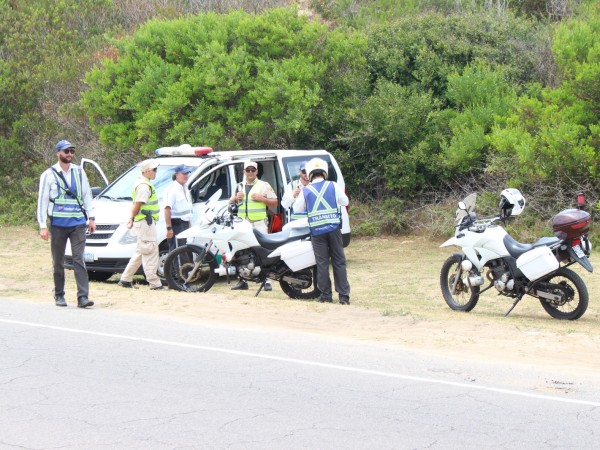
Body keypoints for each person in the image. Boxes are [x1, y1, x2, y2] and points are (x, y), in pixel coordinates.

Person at [37, 139, 95, 308]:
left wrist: (91, 218)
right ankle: (59, 294)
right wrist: (42, 225)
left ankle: (83, 297)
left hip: (77, 223)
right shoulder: (48, 175)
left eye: (72, 151)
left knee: (79, 259)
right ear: (58, 153)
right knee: (58, 261)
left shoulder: (79, 172)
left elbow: (87, 195)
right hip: (58, 224)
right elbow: (42, 201)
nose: (69, 154)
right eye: (66, 151)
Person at [292, 157, 351, 305]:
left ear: (310, 174)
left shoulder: (306, 190)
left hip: (317, 232)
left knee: (322, 263)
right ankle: (344, 296)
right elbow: (345, 201)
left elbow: (297, 209)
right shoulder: (333, 185)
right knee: (339, 262)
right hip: (334, 229)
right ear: (324, 172)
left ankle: (326, 295)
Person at [228, 160, 278, 291]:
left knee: (263, 252)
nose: (250, 172)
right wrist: (235, 198)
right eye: (248, 170)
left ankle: (267, 280)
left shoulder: (264, 185)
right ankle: (242, 280)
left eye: (253, 170)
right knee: (241, 252)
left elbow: (275, 203)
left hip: (259, 224)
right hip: (243, 224)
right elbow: (230, 201)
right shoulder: (239, 186)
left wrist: (263, 199)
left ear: (256, 172)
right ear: (244, 172)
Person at [118, 158, 165, 290]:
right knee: (150, 250)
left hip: (145, 222)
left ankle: (125, 279)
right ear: (147, 171)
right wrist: (131, 218)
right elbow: (138, 204)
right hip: (145, 222)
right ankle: (154, 283)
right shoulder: (144, 186)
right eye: (155, 170)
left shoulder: (143, 183)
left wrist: (132, 218)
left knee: (141, 251)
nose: (156, 172)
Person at [163, 164, 193, 252]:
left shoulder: (185, 188)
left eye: (187, 173)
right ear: (176, 175)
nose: (186, 176)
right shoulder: (172, 189)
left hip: (186, 223)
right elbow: (167, 209)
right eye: (183, 173)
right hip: (177, 224)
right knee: (178, 252)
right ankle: (177, 267)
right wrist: (169, 228)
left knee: (186, 251)